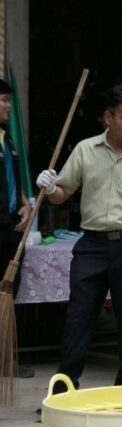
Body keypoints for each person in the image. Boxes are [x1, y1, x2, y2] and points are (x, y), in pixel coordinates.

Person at [37, 84, 122, 391]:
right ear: (108, 118)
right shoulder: (85, 149)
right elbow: (63, 193)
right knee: (78, 316)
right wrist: (50, 188)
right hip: (92, 245)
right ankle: (64, 388)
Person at [0, 79, 31, 295]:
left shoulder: (7, 138)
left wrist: (25, 204)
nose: (9, 106)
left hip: (10, 228)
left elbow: (11, 179)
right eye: (4, 100)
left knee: (9, 293)